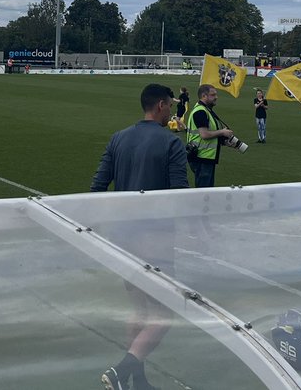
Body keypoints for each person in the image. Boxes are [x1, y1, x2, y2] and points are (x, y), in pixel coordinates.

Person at [91, 84, 187, 390]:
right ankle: (122, 369)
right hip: (155, 238)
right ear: (160, 105)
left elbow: (97, 188)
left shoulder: (118, 138)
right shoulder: (171, 143)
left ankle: (138, 379)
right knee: (165, 312)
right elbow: (180, 195)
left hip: (122, 236)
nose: (171, 111)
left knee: (140, 310)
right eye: (170, 106)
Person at [184, 84, 235, 188]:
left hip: (202, 156)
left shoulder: (204, 110)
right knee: (204, 192)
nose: (216, 97)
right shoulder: (201, 112)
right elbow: (204, 134)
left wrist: (223, 142)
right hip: (202, 157)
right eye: (213, 95)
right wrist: (222, 132)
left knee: (206, 191)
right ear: (204, 96)